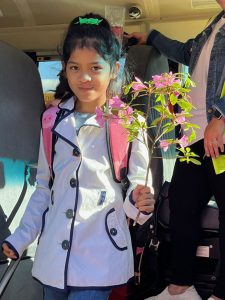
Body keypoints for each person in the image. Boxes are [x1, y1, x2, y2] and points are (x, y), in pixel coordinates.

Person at [2, 13, 155, 300]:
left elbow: (136, 186)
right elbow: (44, 188)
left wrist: (140, 202)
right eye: (75, 67)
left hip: (100, 254)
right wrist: (21, 238)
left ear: (115, 68)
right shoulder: (50, 121)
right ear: (65, 68)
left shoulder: (130, 122)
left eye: (95, 67)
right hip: (52, 258)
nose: (84, 77)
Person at [128, 1, 225, 300]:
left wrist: (220, 116)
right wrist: (152, 38)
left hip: (219, 135)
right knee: (181, 206)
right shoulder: (216, 23)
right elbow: (186, 53)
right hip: (193, 137)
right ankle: (180, 280)